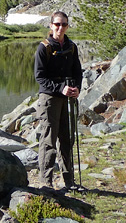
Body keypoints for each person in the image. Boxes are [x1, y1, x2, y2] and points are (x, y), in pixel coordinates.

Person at [34, 10, 83, 191]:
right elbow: (39, 77)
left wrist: (76, 87)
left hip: (67, 99)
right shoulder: (44, 47)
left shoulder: (71, 46)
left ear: (67, 26)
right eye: (57, 24)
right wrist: (59, 88)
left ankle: (68, 181)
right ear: (51, 25)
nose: (60, 28)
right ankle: (45, 182)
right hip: (49, 99)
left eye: (63, 24)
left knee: (66, 139)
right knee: (48, 140)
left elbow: (77, 71)